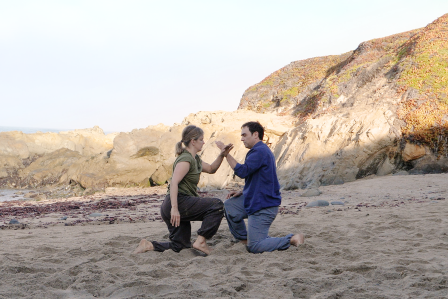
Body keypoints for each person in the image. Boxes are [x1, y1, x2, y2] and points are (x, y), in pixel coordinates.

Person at [133, 125, 233, 256]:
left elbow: (210, 169)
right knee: (217, 205)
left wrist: (222, 155)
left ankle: (149, 245)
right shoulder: (185, 159)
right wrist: (175, 208)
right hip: (178, 202)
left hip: (174, 205)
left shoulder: (194, 159)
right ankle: (201, 242)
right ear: (193, 141)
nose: (203, 142)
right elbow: (174, 182)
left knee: (180, 246)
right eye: (201, 139)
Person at [219, 121, 304, 253]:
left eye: (244, 135)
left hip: (263, 206)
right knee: (230, 206)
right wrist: (243, 191)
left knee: (255, 246)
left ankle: (291, 239)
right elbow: (261, 180)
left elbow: (242, 171)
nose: (241, 138)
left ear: (255, 134)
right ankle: (244, 239)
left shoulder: (259, 151)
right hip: (255, 199)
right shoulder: (259, 151)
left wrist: (226, 155)